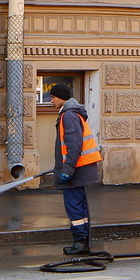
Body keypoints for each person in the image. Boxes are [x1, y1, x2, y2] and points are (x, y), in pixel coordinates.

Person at [49, 83, 102, 254]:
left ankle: (80, 243)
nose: (51, 101)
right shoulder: (72, 114)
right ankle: (82, 241)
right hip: (81, 168)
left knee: (74, 206)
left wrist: (67, 170)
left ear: (61, 97)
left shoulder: (68, 116)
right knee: (79, 206)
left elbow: (73, 145)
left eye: (53, 97)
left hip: (76, 170)